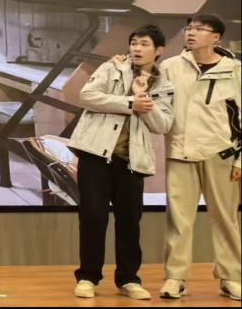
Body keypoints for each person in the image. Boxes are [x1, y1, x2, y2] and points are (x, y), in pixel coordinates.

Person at [69, 24, 174, 300]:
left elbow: (163, 124)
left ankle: (128, 279)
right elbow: (87, 96)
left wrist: (144, 101)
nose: (137, 48)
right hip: (96, 154)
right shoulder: (112, 67)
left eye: (144, 44)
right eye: (134, 43)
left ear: (158, 50)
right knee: (93, 217)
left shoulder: (163, 82)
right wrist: (129, 102)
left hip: (131, 160)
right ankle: (88, 277)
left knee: (130, 221)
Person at [158, 12, 241, 302]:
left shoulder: (235, 70)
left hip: (221, 154)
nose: (191, 33)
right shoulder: (170, 66)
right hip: (180, 153)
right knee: (179, 221)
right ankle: (175, 278)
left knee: (225, 219)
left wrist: (240, 160)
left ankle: (232, 277)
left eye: (199, 29)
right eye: (189, 28)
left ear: (216, 37)